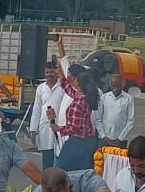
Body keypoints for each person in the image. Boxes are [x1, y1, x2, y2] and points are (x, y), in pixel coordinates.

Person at [52, 37, 100, 170]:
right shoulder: (84, 95)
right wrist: (61, 75)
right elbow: (67, 87)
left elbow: (74, 127)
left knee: (60, 169)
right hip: (88, 140)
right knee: (81, 172)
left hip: (78, 140)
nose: (70, 81)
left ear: (78, 82)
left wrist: (59, 129)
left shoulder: (79, 101)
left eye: (73, 79)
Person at [27, 60, 66, 170]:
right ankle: (47, 183)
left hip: (60, 127)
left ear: (56, 73)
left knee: (59, 158)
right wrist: (33, 130)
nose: (49, 75)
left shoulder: (63, 87)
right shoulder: (41, 88)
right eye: (47, 72)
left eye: (51, 72)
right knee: (47, 160)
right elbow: (37, 110)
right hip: (45, 127)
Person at [96, 73, 135, 148]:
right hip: (104, 139)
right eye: (113, 86)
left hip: (121, 140)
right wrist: (104, 137)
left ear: (123, 84)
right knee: (100, 158)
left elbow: (130, 121)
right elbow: (98, 119)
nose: (115, 88)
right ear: (110, 84)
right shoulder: (104, 97)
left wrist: (120, 138)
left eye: (118, 86)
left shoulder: (128, 99)